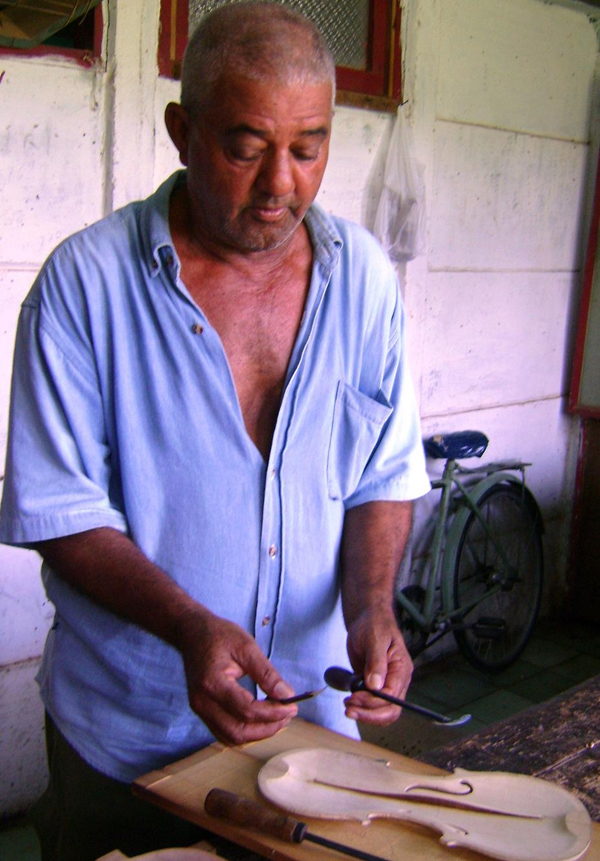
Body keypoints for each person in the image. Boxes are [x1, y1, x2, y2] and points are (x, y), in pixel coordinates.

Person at [0, 3, 430, 859]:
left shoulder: (366, 285)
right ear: (181, 130)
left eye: (308, 148)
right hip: (128, 741)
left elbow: (382, 473)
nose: (281, 184)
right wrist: (192, 628)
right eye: (245, 147)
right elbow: (61, 511)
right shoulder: (84, 288)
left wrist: (372, 605)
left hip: (313, 737)